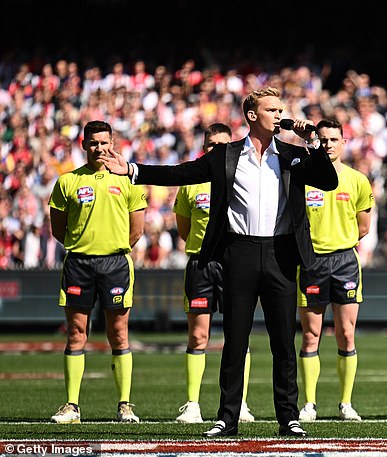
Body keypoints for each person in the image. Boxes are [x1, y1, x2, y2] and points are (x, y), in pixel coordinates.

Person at [101, 87, 338, 437]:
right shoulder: (227, 155)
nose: (279, 114)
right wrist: (134, 169)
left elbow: (328, 181)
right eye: (271, 109)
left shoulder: (292, 154)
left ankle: (288, 417)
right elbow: (183, 173)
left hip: (281, 254)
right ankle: (227, 418)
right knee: (235, 338)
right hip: (238, 252)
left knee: (284, 342)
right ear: (252, 116)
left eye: (280, 109)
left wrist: (313, 141)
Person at [48, 120, 147, 424]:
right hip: (79, 264)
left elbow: (136, 230)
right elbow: (58, 229)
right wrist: (85, 245)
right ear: (84, 145)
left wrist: (110, 246)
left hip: (116, 264)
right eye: (93, 143)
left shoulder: (128, 179)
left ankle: (125, 405)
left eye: (104, 142)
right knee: (77, 333)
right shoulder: (68, 182)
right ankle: (71, 406)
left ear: (112, 143)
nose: (99, 148)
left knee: (118, 333)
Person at [173, 123, 255, 424]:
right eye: (211, 145)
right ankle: (192, 403)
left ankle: (240, 402)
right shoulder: (191, 183)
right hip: (201, 264)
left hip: (236, 263)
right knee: (198, 335)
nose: (217, 150)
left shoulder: (243, 179)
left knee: (238, 335)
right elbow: (185, 229)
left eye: (223, 145)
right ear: (203, 148)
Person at [296, 119, 373, 422]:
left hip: (344, 262)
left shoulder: (357, 180)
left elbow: (363, 226)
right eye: (323, 139)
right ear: (315, 142)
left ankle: (345, 403)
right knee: (311, 336)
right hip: (312, 262)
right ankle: (309, 404)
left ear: (343, 143)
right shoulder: (304, 176)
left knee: (346, 334)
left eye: (333, 139)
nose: (327, 144)